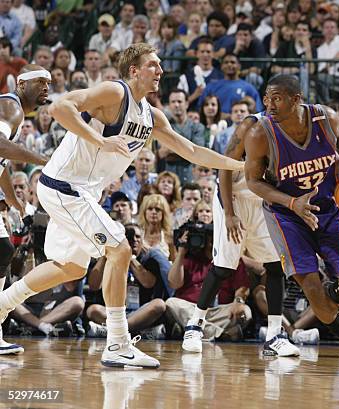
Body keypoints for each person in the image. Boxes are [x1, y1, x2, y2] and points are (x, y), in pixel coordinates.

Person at [0, 43, 243, 368]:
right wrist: (99, 140)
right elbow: (60, 108)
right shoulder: (115, 92)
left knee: (70, 267)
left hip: (78, 193)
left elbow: (193, 151)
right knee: (119, 250)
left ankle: (3, 303)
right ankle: (117, 343)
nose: (160, 71)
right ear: (134, 71)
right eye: (153, 65)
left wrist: (241, 167)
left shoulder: (151, 116)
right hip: (64, 186)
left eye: (160, 65)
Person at [244, 75, 339, 374]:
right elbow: (252, 181)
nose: (269, 104)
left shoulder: (327, 119)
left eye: (276, 98)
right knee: (312, 288)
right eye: (266, 97)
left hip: (327, 207)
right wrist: (292, 203)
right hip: (287, 216)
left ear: (296, 98)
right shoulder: (260, 135)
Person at [182, 109, 297, 355]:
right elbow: (224, 169)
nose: (277, 104)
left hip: (263, 199)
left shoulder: (298, 128)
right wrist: (230, 214)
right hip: (233, 195)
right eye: (271, 98)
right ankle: (195, 325)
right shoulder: (251, 125)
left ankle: (275, 335)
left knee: (276, 266)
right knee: (224, 267)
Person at [0, 64, 50, 354]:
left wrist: (15, 202)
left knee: (3, 250)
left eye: (49, 83)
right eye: (39, 82)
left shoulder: (14, 113)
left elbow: (2, 164)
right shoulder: (11, 107)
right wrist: (43, 160)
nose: (46, 86)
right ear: (21, 84)